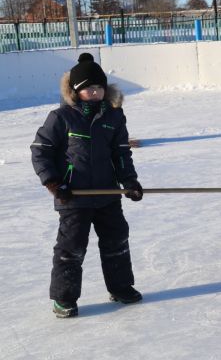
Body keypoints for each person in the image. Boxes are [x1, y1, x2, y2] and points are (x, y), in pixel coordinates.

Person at [31, 53, 144, 318]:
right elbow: (41, 150)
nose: (94, 92)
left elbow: (121, 153)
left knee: (117, 239)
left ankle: (121, 287)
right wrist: (53, 183)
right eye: (88, 89)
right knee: (72, 247)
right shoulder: (61, 118)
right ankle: (64, 298)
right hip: (73, 196)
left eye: (99, 87)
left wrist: (129, 181)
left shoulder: (113, 117)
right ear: (75, 91)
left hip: (107, 193)